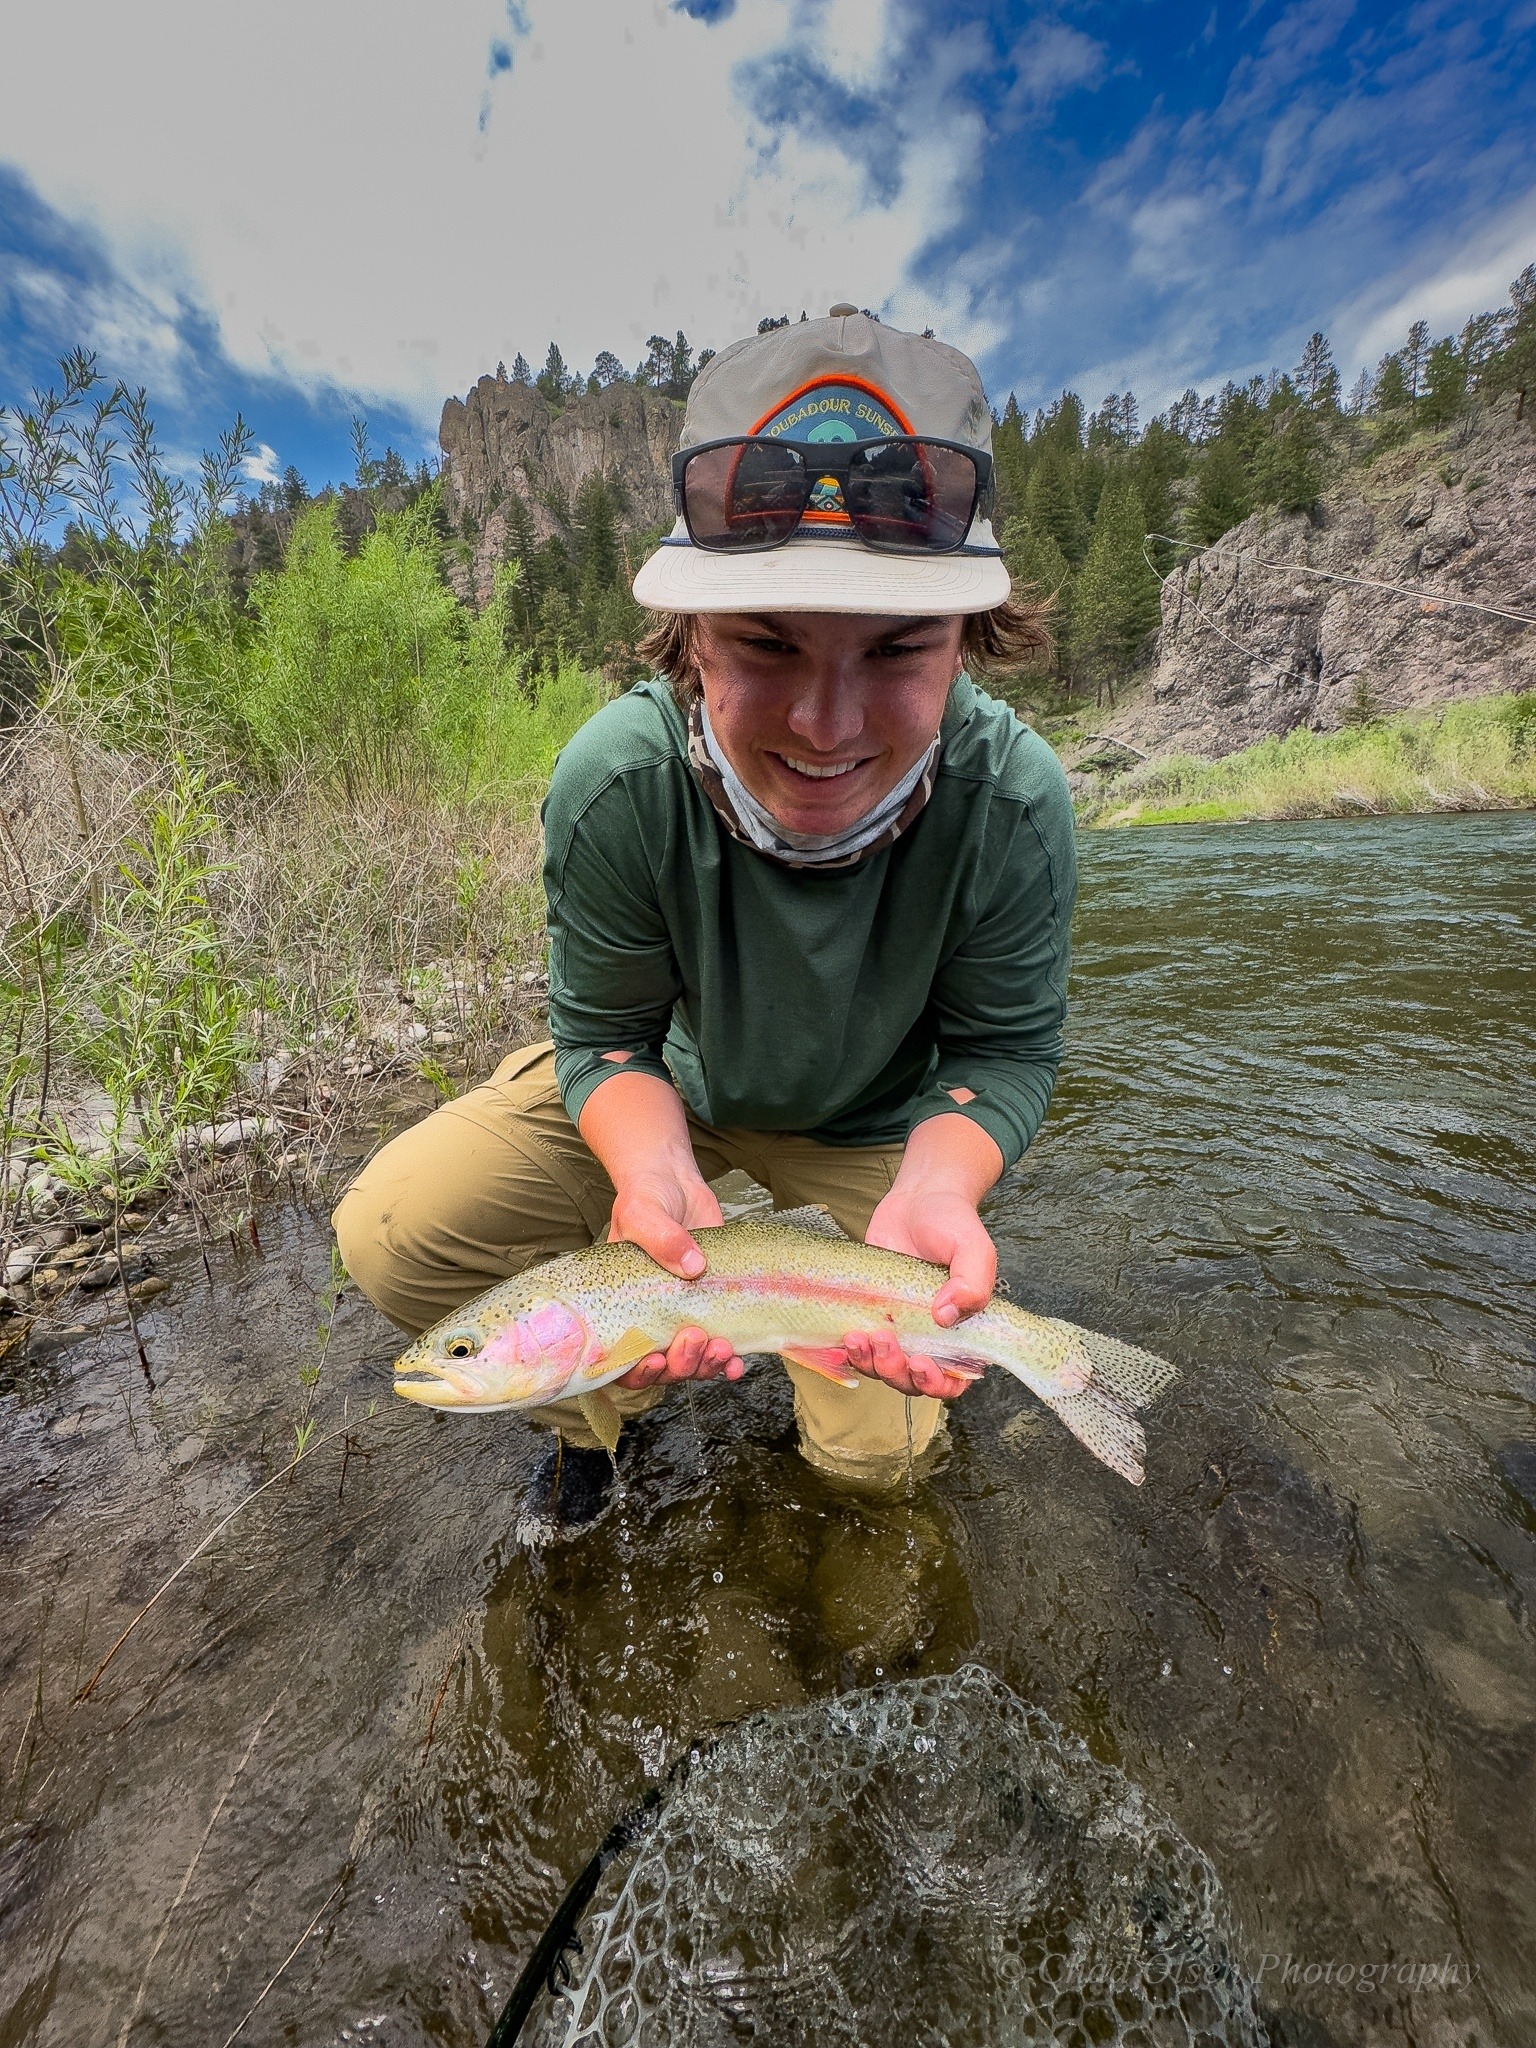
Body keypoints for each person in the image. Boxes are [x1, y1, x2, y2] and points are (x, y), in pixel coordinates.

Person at [334, 305, 1076, 1535]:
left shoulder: (1015, 805)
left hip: (877, 1137)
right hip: (671, 1102)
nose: (827, 725)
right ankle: (588, 1425)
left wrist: (941, 1188)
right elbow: (610, 1037)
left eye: (897, 647)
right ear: (688, 636)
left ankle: (819, 1380)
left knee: (880, 1469)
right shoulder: (616, 781)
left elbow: (1002, 1053)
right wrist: (651, 1170)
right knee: (399, 1231)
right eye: (765, 644)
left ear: (968, 646)